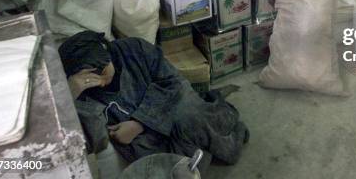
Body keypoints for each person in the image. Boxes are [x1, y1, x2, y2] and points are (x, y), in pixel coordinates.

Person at [58, 31, 249, 165]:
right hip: (143, 139)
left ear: (107, 54)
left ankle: (224, 136)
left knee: (190, 116)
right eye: (90, 78)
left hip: (170, 107)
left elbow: (175, 83)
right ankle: (199, 151)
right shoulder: (80, 90)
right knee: (150, 158)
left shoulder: (134, 49)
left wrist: (140, 123)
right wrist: (72, 97)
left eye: (101, 72)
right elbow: (94, 142)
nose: (100, 83)